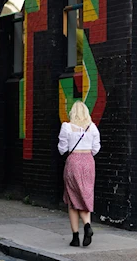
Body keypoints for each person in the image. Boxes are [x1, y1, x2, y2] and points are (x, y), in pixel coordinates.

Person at [58, 101, 101, 246]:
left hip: (74, 161)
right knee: (85, 195)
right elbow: (96, 148)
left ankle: (75, 237)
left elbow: (62, 149)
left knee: (72, 199)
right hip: (89, 161)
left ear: (73, 112)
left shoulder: (67, 127)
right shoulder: (92, 127)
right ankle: (87, 225)